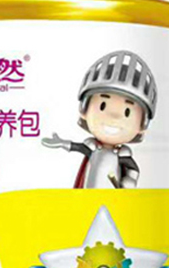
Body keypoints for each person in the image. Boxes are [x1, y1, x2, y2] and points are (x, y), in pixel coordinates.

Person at [42, 50, 158, 188]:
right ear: (84, 109)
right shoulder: (92, 146)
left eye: (127, 112)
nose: (114, 117)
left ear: (143, 124)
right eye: (103, 105)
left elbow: (133, 169)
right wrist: (62, 143)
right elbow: (78, 147)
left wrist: (130, 180)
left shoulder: (123, 154)